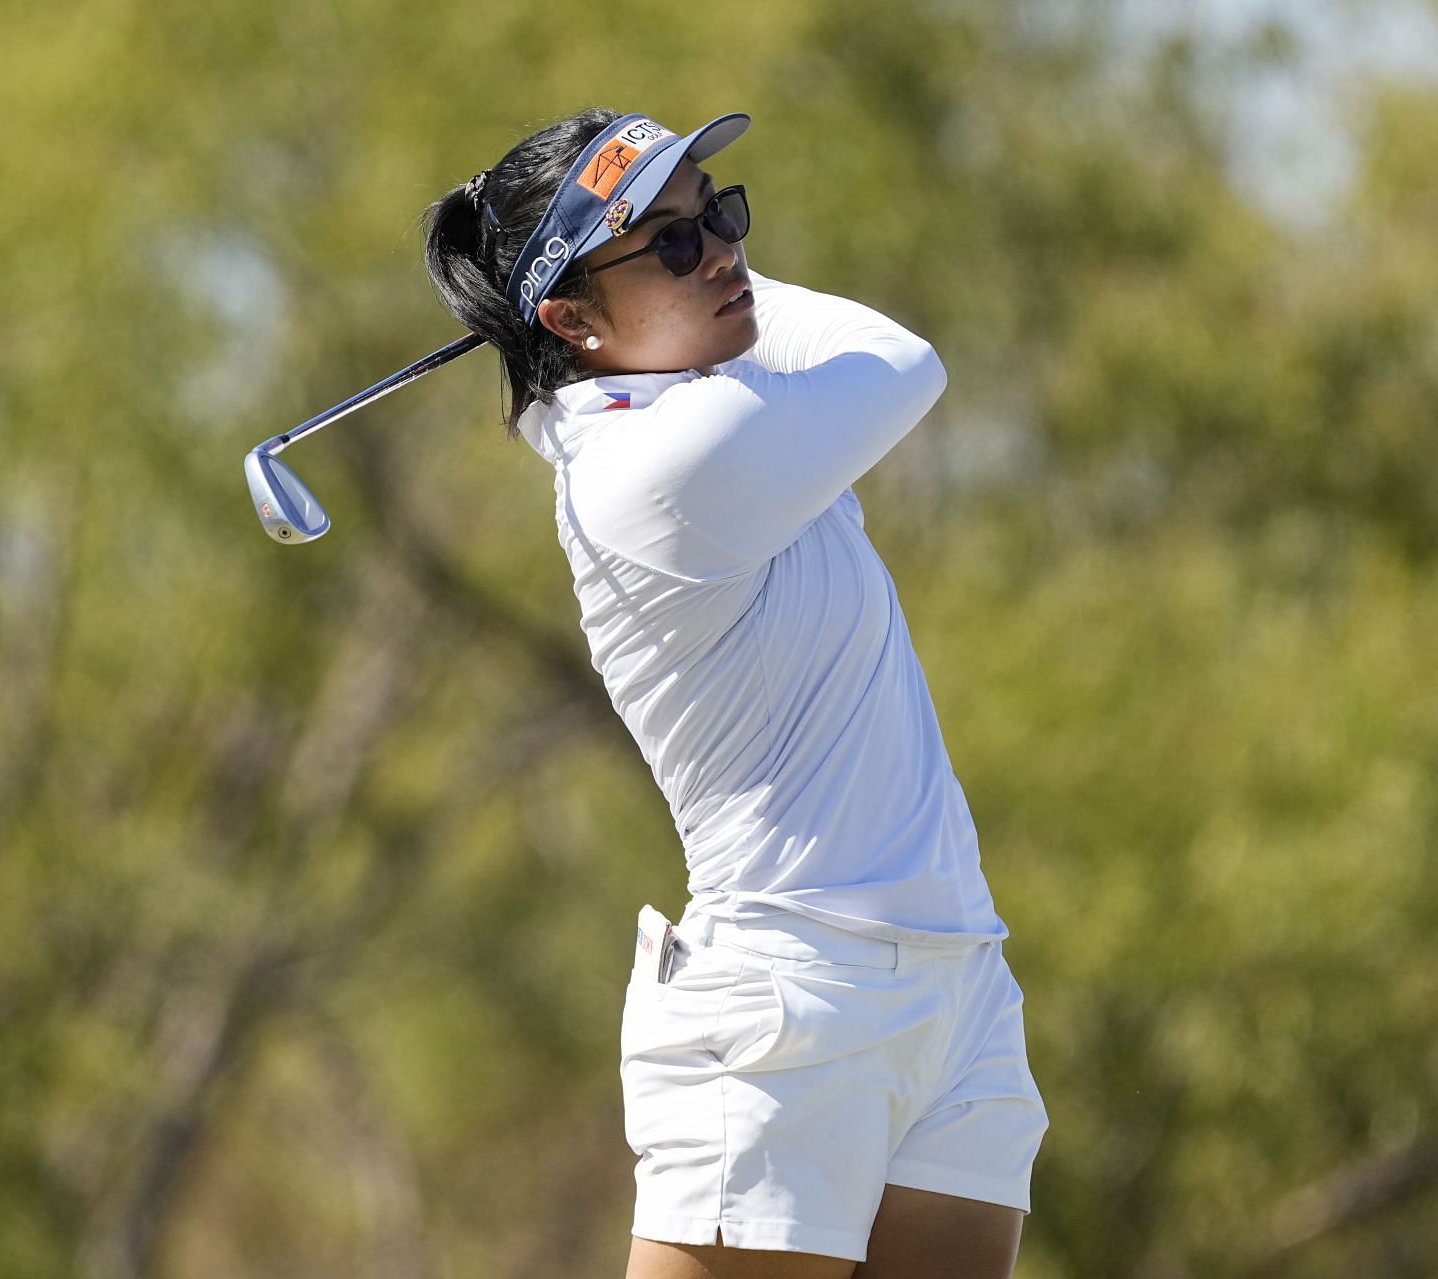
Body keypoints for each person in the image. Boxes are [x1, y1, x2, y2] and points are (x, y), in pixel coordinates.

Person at [421, 108, 1047, 1279]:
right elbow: (903, 358)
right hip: (787, 1004)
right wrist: (710, 290)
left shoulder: (693, 401)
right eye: (665, 243)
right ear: (567, 317)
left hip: (953, 975)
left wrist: (672, 278)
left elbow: (791, 346)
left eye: (720, 212)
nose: (720, 250)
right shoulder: (654, 464)